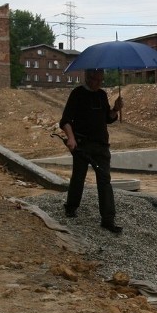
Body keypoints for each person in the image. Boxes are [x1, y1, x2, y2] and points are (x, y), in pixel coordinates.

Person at [59, 68, 124, 233]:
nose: (98, 83)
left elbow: (107, 119)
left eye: (101, 80)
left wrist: (115, 109)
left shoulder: (101, 95)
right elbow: (65, 120)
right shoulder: (77, 94)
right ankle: (71, 207)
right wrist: (71, 138)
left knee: (104, 181)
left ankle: (108, 219)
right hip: (81, 144)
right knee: (78, 178)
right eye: (96, 80)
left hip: (101, 145)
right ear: (88, 78)